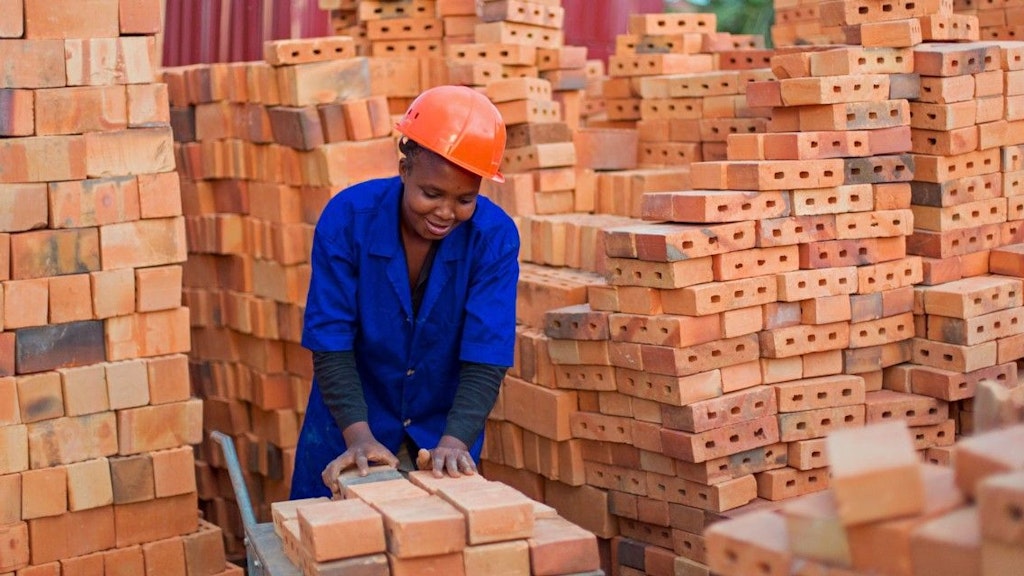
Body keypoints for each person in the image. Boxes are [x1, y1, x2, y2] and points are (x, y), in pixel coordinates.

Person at [290, 85, 520, 499]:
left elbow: (488, 352)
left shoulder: (494, 237)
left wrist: (455, 441)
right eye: (431, 194)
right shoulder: (347, 219)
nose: (446, 212)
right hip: (350, 421)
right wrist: (358, 436)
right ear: (404, 169)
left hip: (442, 431)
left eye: (466, 199)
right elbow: (330, 339)